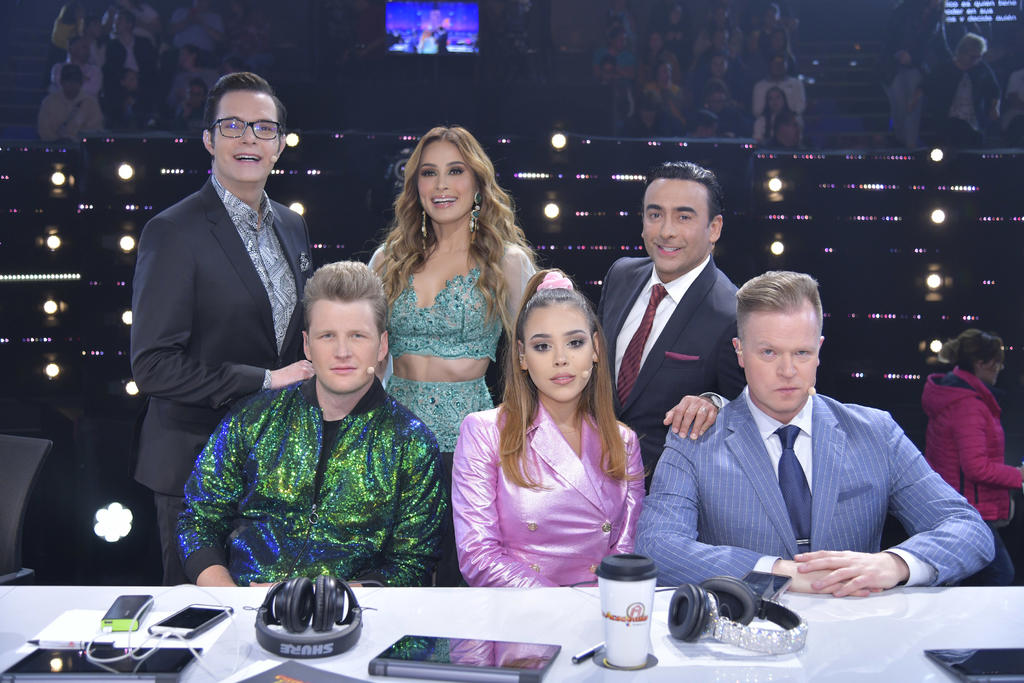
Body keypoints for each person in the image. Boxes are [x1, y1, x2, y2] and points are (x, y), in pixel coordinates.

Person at [637, 271, 994, 595]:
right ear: (740, 352)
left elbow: (968, 528)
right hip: (744, 636)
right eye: (769, 352)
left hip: (858, 635)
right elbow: (656, 546)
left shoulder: (876, 433)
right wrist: (779, 573)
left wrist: (895, 564)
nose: (788, 370)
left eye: (802, 353)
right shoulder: (694, 439)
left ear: (819, 350)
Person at [131, 71, 314, 585]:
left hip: (274, 466)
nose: (248, 138)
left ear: (279, 145)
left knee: (270, 616)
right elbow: (153, 366)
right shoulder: (173, 231)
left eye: (263, 128)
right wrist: (263, 380)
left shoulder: (292, 225)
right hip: (194, 462)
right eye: (232, 125)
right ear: (209, 140)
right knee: (199, 619)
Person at [178, 261, 446, 587]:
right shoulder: (251, 418)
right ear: (307, 345)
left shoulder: (412, 442)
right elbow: (198, 521)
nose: (343, 352)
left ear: (382, 345)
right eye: (327, 336)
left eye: (358, 336)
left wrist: (324, 598)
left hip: (359, 613)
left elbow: (413, 562)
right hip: (245, 606)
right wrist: (232, 598)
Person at [370, 125, 535, 585]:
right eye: (429, 173)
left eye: (455, 171)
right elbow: (366, 360)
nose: (441, 185)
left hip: (468, 445)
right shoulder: (387, 259)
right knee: (391, 577)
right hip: (391, 440)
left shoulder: (506, 262)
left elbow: (536, 356)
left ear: (478, 183)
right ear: (415, 185)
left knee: (459, 576)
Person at [452, 270, 644, 587]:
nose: (560, 359)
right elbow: (478, 556)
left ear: (596, 348)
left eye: (575, 342)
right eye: (542, 346)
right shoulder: (484, 432)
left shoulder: (624, 442)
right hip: (519, 608)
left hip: (599, 609)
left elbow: (624, 554)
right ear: (522, 356)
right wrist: (560, 606)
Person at [597, 161, 745, 485]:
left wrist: (714, 403)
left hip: (669, 496)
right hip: (592, 480)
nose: (666, 231)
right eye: (655, 214)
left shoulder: (733, 314)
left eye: (683, 217)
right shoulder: (620, 275)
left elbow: (748, 414)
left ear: (714, 228)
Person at [923, 329, 1022, 586]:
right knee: (998, 574)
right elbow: (976, 467)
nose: (999, 369)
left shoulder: (957, 396)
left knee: (960, 577)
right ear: (981, 363)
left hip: (957, 504)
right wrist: (1018, 476)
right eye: (997, 362)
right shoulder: (968, 404)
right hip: (967, 508)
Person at [924, 33, 1001, 147]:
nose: (976, 60)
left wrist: (994, 107)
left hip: (974, 124)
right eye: (972, 57)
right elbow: (927, 85)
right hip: (948, 123)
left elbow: (994, 90)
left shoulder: (982, 69)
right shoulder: (945, 68)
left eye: (979, 57)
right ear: (962, 52)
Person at [37, 64, 104, 141]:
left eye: (75, 81)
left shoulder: (91, 103)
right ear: (61, 82)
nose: (72, 84)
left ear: (81, 83)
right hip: (55, 146)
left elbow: (95, 129)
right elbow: (43, 130)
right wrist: (57, 141)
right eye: (68, 81)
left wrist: (76, 140)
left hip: (82, 146)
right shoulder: (49, 102)